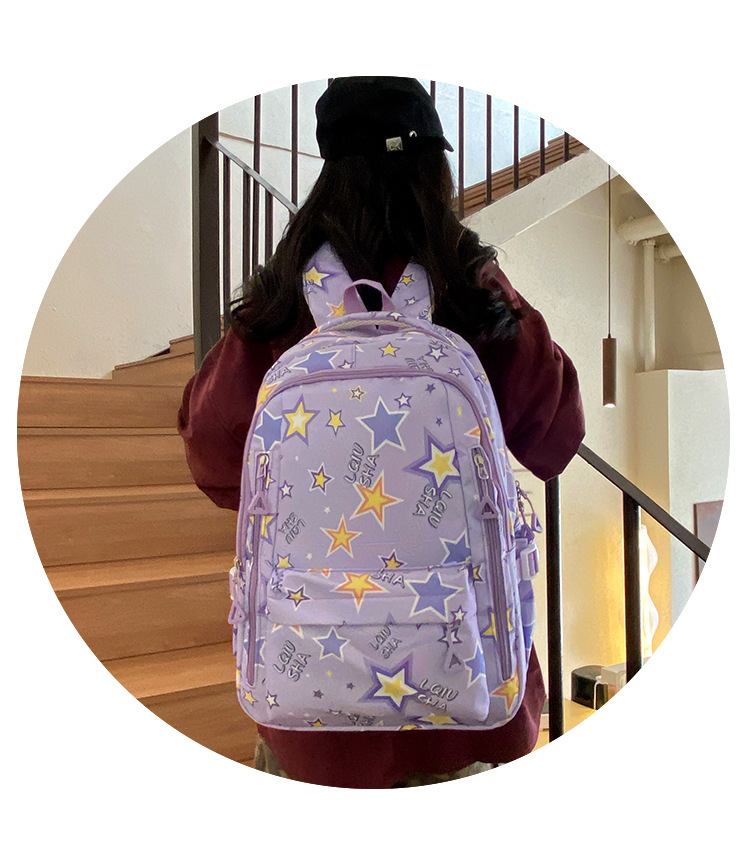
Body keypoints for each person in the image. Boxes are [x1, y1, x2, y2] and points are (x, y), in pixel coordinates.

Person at [178, 76, 585, 788]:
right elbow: (556, 436)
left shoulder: (280, 302)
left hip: (311, 705)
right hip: (471, 698)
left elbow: (211, 458)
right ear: (435, 167)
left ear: (329, 169)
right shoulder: (469, 289)